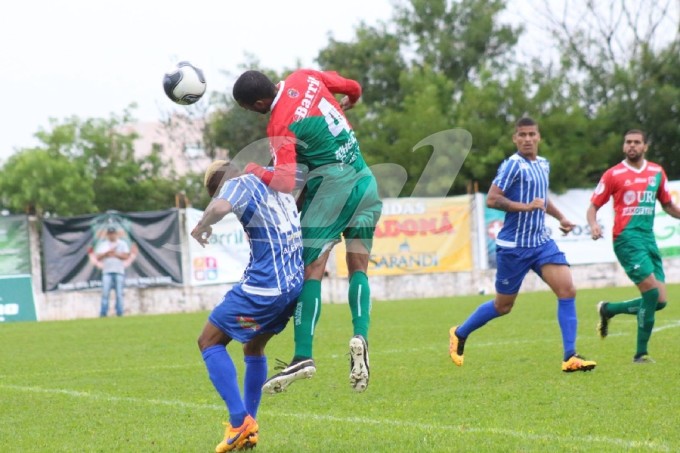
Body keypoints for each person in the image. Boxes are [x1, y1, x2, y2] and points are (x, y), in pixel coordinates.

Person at [232, 69, 382, 393]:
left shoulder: (279, 124)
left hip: (331, 192)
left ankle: (303, 355)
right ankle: (360, 334)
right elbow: (354, 86)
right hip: (364, 179)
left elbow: (286, 182)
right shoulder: (305, 77)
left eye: (250, 109)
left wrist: (254, 170)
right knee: (359, 269)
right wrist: (350, 100)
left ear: (258, 103)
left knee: (311, 271)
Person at [449, 117, 597, 372]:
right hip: (513, 247)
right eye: (522, 135)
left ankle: (570, 356)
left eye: (532, 134)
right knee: (503, 306)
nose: (527, 139)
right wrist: (524, 207)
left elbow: (541, 199)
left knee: (567, 290)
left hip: (540, 243)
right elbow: (493, 200)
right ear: (515, 139)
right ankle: (460, 333)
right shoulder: (512, 166)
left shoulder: (543, 165)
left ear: (539, 137)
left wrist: (561, 217)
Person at [191, 160, 304, 452]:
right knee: (253, 347)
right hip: (291, 289)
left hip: (264, 290)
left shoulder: (237, 185)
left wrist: (203, 224)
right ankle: (249, 427)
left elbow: (219, 208)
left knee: (209, 341)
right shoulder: (276, 183)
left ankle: (239, 421)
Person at [587, 129, 680, 364]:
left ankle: (609, 309)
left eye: (637, 142)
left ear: (645, 146)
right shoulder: (613, 174)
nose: (632, 146)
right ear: (623, 146)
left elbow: (668, 205)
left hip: (648, 238)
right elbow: (593, 206)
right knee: (650, 293)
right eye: (628, 142)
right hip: (626, 238)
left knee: (660, 301)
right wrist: (593, 225)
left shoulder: (656, 172)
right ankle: (641, 353)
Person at [95, 226, 130, 317]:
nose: (112, 236)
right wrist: (106, 253)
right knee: (105, 293)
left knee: (119, 294)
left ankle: (120, 313)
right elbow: (97, 257)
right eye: (110, 234)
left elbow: (126, 256)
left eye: (113, 234)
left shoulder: (122, 244)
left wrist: (115, 254)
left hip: (119, 271)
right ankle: (103, 313)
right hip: (107, 271)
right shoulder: (103, 245)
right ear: (107, 235)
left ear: (116, 234)